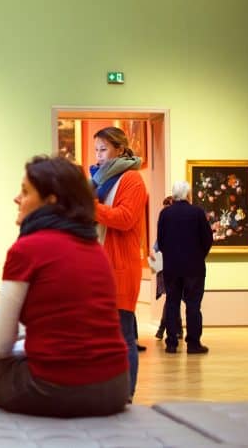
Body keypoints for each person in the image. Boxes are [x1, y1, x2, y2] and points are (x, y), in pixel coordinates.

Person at [0, 155, 129, 417]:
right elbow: (70, 339)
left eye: (24, 192)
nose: (16, 199)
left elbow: (1, 343)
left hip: (57, 387)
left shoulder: (26, 249)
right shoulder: (94, 248)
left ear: (51, 200)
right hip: (116, 387)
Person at [90, 126, 147, 399]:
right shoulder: (98, 182)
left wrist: (89, 206)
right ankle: (105, 390)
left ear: (120, 150)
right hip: (98, 267)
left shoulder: (132, 179)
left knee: (124, 337)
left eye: (103, 150)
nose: (98, 156)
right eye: (96, 150)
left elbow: (124, 218)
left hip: (120, 269)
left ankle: (126, 394)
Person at [157, 181, 213, 354]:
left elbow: (161, 240)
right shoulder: (197, 213)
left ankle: (172, 343)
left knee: (172, 303)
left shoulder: (165, 214)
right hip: (194, 267)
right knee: (193, 305)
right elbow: (207, 239)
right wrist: (199, 255)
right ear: (188, 195)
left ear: (173, 196)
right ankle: (193, 343)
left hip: (172, 267)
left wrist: (170, 256)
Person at [151, 196, 184, 340]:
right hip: (166, 266)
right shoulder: (165, 223)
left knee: (172, 298)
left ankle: (163, 328)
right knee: (172, 298)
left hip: (177, 266)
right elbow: (156, 246)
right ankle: (177, 328)